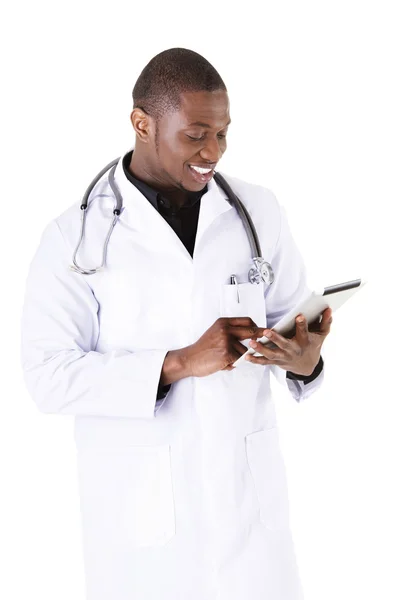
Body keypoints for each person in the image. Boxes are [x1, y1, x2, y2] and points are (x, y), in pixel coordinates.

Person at [20, 47, 332, 600]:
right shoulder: (76, 237)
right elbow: (47, 376)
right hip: (142, 519)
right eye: (196, 135)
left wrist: (305, 364)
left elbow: (293, 321)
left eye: (223, 133)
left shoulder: (256, 210)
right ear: (142, 123)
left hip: (248, 512)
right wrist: (180, 363)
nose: (213, 151)